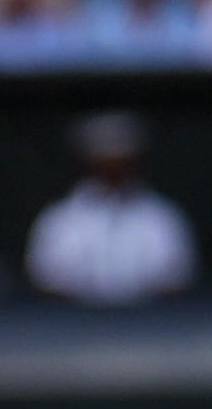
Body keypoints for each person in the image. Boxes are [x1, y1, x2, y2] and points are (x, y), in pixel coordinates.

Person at [27, 113, 198, 301]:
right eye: (104, 161)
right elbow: (45, 279)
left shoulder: (162, 217)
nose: (113, 168)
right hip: (73, 324)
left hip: (150, 324)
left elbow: (177, 277)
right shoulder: (60, 219)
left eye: (121, 160)